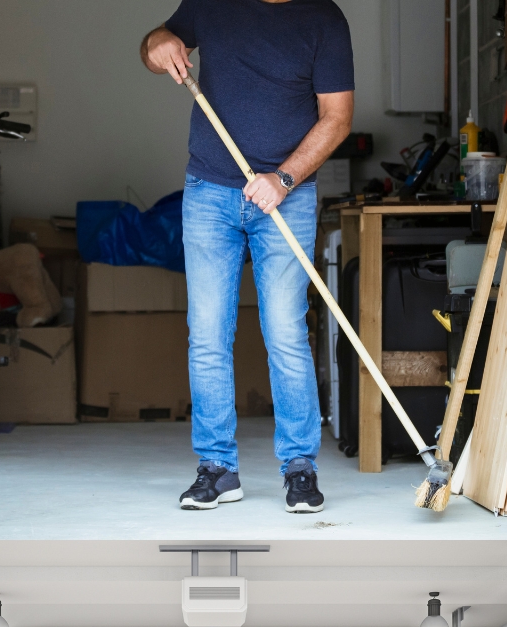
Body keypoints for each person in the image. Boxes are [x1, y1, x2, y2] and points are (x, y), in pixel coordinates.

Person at [140, 0, 355, 513]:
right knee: (208, 334)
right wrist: (157, 44)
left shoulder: (323, 19)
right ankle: (217, 469)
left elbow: (338, 118)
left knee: (285, 332)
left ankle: (300, 468)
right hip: (210, 189)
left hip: (288, 194)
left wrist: (281, 179)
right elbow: (156, 44)